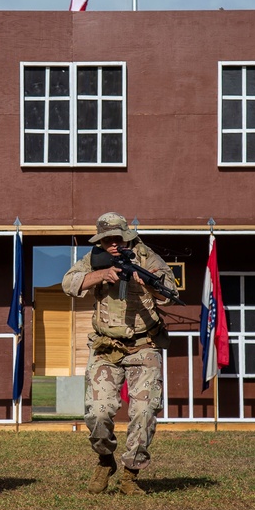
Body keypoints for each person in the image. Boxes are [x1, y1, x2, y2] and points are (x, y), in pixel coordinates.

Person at [62, 212, 178, 495]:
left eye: (118, 238)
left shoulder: (146, 255)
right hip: (106, 346)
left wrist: (147, 282)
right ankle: (105, 460)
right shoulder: (94, 258)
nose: (113, 244)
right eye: (107, 240)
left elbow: (170, 289)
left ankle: (130, 474)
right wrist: (102, 274)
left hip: (144, 345)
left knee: (144, 411)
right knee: (98, 414)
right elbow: (68, 283)